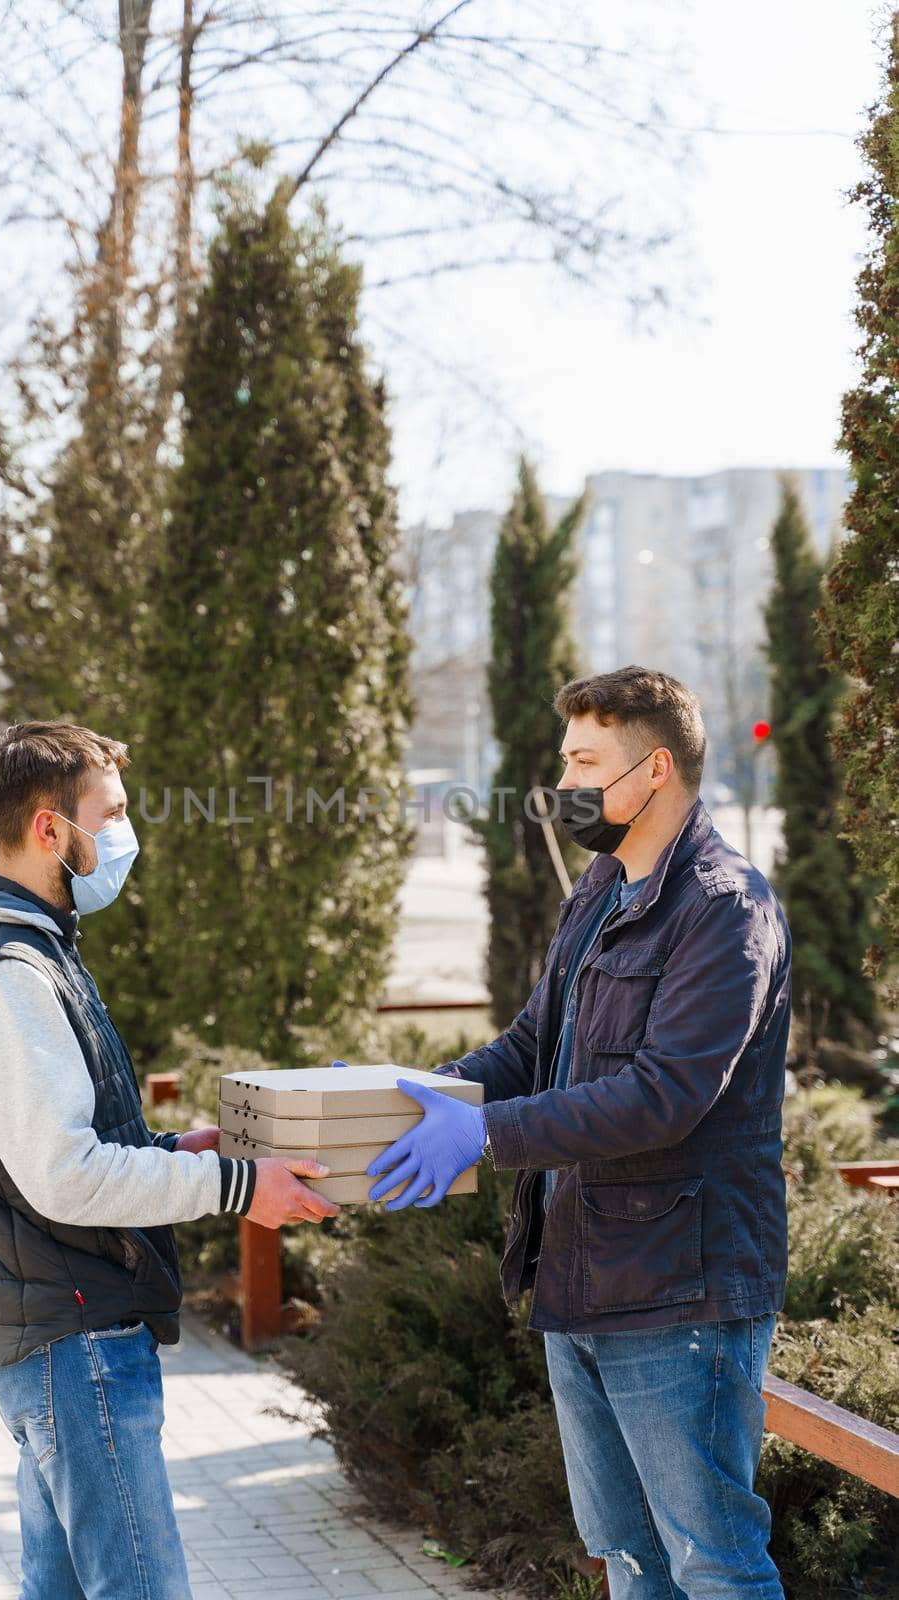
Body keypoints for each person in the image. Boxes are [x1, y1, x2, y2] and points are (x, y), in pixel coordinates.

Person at [361, 667, 791, 1600]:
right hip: (583, 1272)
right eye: (566, 760)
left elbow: (662, 1096)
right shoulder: (600, 888)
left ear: (657, 768)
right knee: (628, 1559)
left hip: (683, 1291)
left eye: (586, 761)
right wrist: (416, 1098)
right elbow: (533, 1045)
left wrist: (480, 1138)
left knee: (713, 1563)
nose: (567, 784)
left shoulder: (723, 908)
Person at [0, 720, 339, 1600]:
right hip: (75, 1341)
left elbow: (59, 1146)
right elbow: (63, 1175)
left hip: (58, 1331)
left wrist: (178, 1150)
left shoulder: (32, 948)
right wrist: (239, 1186)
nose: (125, 837)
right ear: (48, 830)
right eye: (112, 815)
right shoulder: (7, 972)